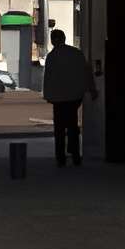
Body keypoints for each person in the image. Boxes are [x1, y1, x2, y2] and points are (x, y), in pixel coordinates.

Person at [40, 27, 93, 168]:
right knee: (72, 125)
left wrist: (48, 95)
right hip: (74, 96)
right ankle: (75, 155)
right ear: (64, 38)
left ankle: (60, 158)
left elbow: (48, 78)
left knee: (59, 128)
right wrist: (90, 89)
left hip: (58, 98)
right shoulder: (76, 53)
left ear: (52, 41)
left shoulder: (52, 56)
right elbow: (86, 72)